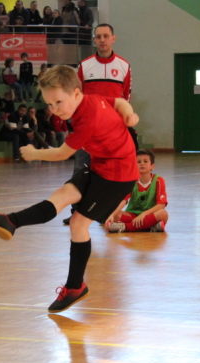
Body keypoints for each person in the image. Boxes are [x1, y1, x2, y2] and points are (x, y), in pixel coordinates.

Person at [0, 65, 140, 312]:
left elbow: (62, 154)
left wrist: (34, 153)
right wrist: (129, 113)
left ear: (77, 94)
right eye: (49, 104)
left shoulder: (88, 118)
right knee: (62, 195)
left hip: (118, 175)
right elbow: (119, 101)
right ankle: (10, 222)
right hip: (101, 165)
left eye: (59, 102)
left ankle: (75, 286)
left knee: (78, 224)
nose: (55, 109)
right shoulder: (90, 99)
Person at [66, 23, 137, 225]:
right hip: (88, 129)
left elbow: (126, 98)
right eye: (98, 37)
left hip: (113, 132)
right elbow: (76, 96)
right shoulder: (84, 66)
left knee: (112, 171)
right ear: (94, 40)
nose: (102, 40)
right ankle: (76, 212)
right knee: (81, 168)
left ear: (113, 38)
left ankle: (105, 211)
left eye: (106, 36)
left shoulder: (124, 66)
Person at [105, 149, 168, 233]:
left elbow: (161, 205)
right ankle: (149, 226)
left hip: (150, 215)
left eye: (145, 161)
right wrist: (112, 215)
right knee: (115, 214)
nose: (142, 164)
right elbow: (124, 200)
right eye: (138, 162)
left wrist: (144, 214)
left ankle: (125, 227)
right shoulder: (131, 181)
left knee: (163, 214)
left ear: (152, 166)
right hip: (133, 215)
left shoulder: (159, 180)